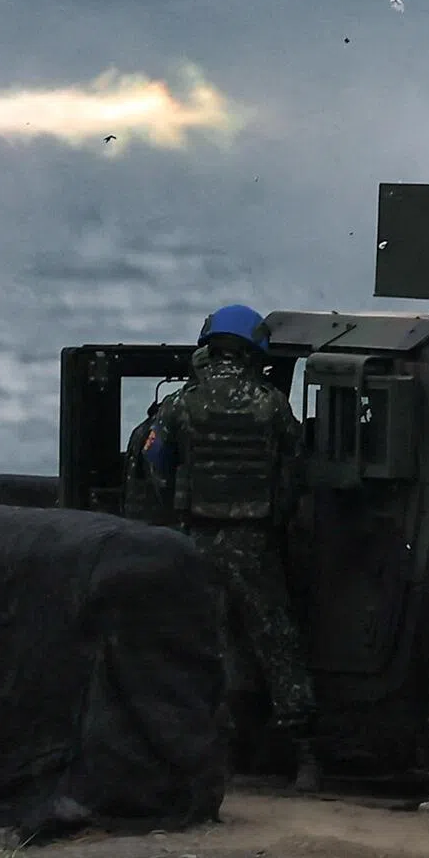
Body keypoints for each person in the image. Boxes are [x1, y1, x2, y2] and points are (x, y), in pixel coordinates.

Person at [141, 304, 320, 792]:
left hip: (197, 538)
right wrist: (274, 520)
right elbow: (295, 471)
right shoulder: (271, 404)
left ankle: (203, 751)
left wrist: (177, 510)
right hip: (254, 541)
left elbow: (155, 463)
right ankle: (303, 757)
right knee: (275, 641)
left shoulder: (182, 404)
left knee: (201, 642)